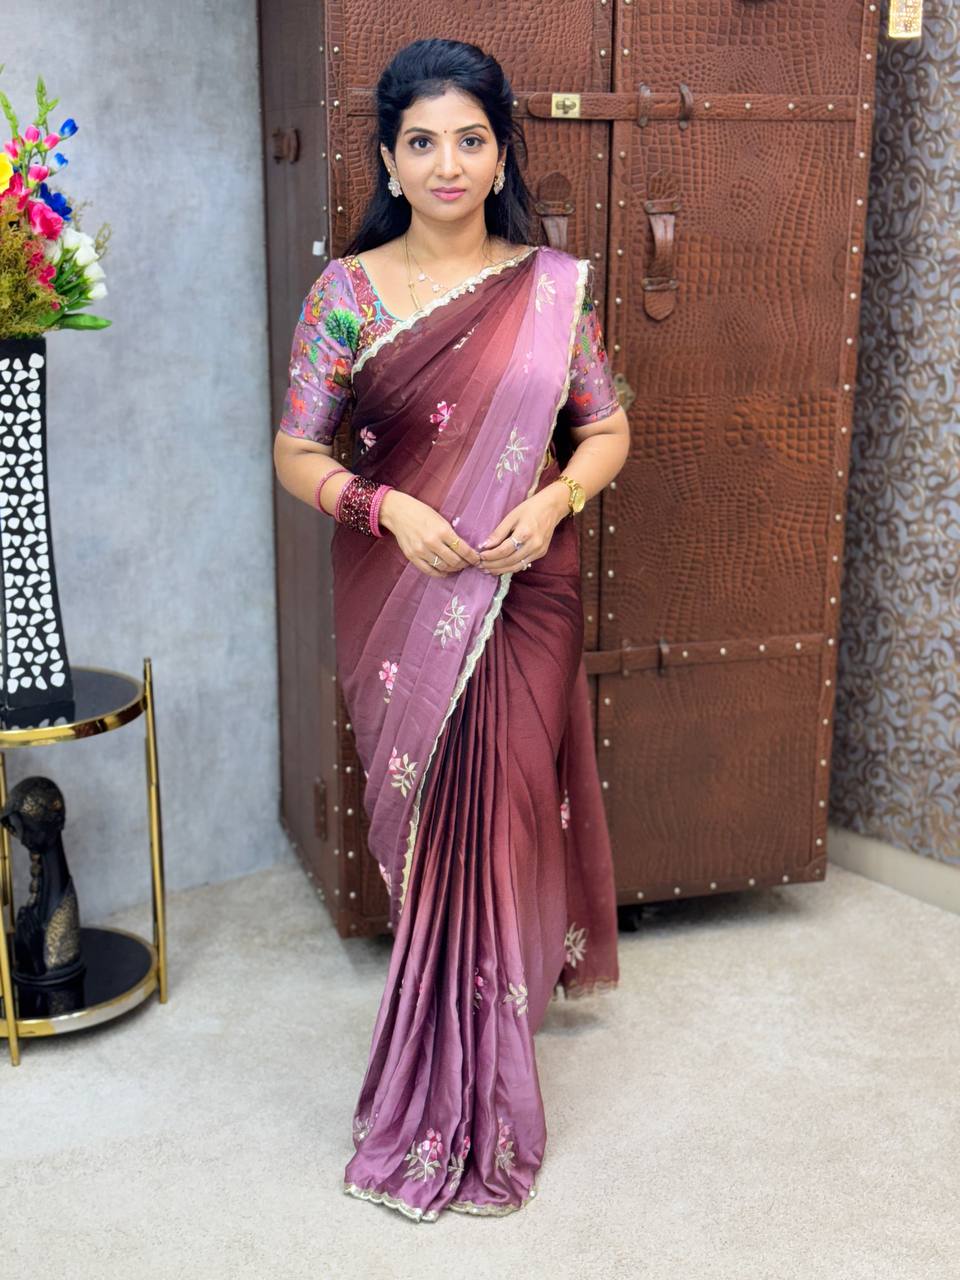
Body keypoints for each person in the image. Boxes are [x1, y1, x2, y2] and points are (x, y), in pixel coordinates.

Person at [273, 37, 630, 1223]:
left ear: (500, 152)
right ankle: (436, 1073)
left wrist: (554, 500)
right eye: (421, 141)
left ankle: (495, 1069)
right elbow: (297, 450)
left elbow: (607, 430)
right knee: (437, 833)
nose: (447, 163)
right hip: (404, 589)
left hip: (527, 589)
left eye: (469, 139)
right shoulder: (347, 294)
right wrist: (386, 507)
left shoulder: (552, 286)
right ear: (387, 158)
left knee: (507, 811)